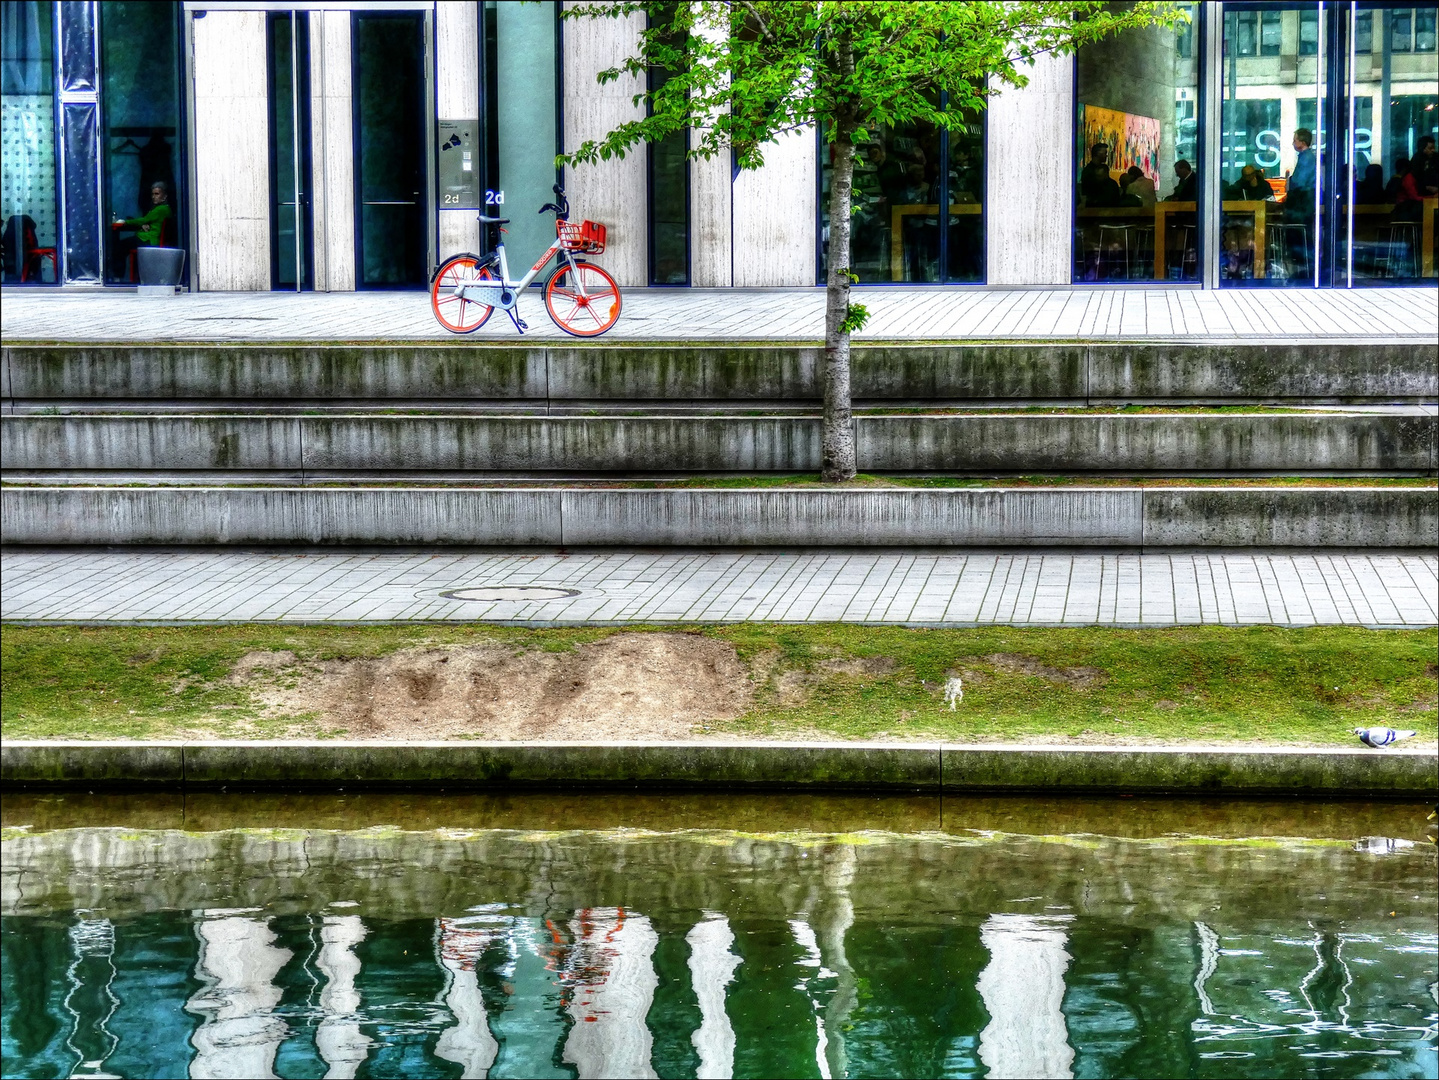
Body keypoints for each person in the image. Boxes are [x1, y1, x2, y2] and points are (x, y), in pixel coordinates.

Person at [110, 180, 174, 280]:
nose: (154, 197)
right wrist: (144, 224)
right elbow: (148, 221)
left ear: (165, 196)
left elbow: (144, 219)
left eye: (157, 194)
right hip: (149, 238)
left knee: (119, 247)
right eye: (153, 194)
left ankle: (117, 277)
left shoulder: (161, 209)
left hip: (147, 240)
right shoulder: (163, 209)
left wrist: (124, 222)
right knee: (123, 246)